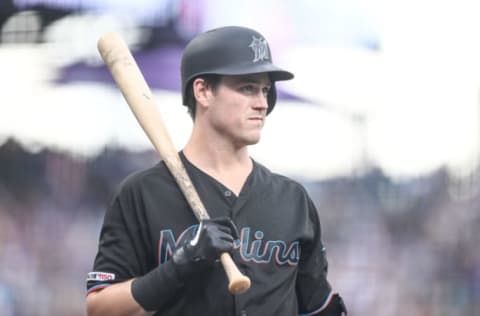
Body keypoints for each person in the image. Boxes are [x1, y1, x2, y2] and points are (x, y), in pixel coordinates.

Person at [86, 25, 347, 316]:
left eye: (264, 90)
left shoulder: (293, 200)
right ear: (203, 91)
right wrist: (182, 263)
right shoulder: (142, 194)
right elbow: (100, 308)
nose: (262, 103)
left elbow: (317, 306)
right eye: (247, 87)